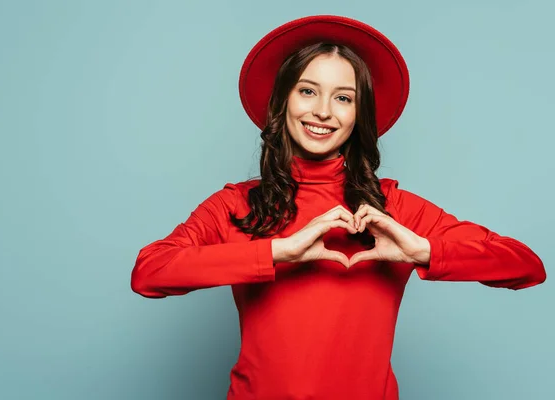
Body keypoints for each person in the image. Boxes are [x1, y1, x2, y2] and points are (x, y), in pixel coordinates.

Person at [130, 15, 546, 400]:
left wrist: (423, 251)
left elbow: (526, 266)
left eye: (343, 98)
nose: (323, 111)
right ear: (283, 101)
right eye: (308, 91)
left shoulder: (392, 209)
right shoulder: (236, 205)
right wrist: (279, 252)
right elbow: (150, 272)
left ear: (359, 114)